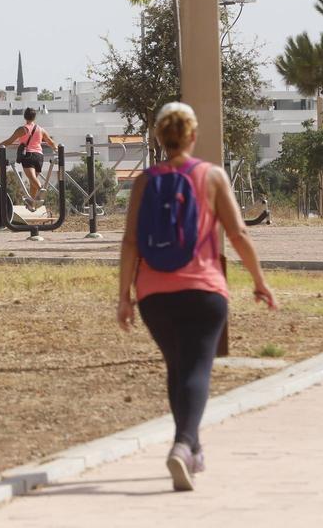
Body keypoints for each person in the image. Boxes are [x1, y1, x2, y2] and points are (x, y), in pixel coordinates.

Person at [117, 101, 276, 492]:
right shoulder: (212, 176)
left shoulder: (145, 181)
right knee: (197, 369)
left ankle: (194, 449)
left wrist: (124, 297)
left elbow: (130, 242)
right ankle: (184, 444)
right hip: (203, 290)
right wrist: (259, 280)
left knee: (178, 368)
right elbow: (238, 233)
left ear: (159, 136)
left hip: (154, 294)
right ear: (192, 135)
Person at [0, 107, 56, 204]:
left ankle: (41, 189)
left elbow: (9, 141)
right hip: (39, 156)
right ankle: (32, 203)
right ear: (34, 117)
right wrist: (56, 149)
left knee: (32, 178)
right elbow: (51, 142)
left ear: (25, 116)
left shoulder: (22, 129)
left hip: (28, 155)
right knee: (32, 182)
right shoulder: (41, 129)